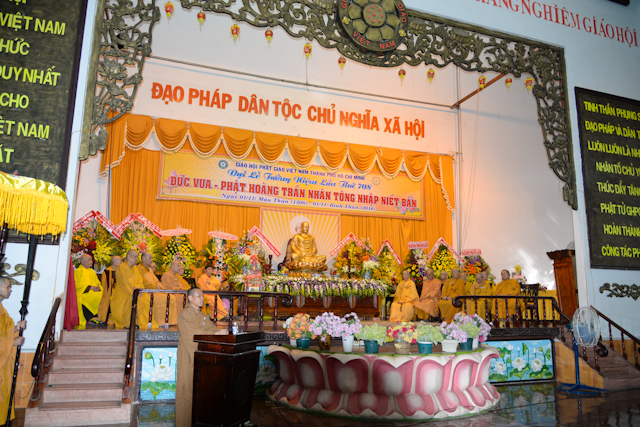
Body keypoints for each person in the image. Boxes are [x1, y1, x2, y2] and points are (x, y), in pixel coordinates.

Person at [176, 287, 227, 427]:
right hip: (188, 355)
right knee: (186, 389)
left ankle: (200, 421)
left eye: (202, 296)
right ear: (190, 298)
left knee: (202, 389)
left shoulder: (203, 316)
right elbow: (192, 333)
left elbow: (212, 330)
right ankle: (184, 423)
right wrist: (215, 334)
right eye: (198, 296)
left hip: (203, 356)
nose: (202, 299)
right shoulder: (184, 314)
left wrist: (221, 333)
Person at [0, 277, 27, 423]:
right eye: (8, 287)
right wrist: (12, 342)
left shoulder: (2, 309)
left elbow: (4, 331)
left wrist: (16, 328)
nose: (10, 290)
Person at [111, 250, 144, 329]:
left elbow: (140, 280)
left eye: (137, 257)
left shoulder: (135, 269)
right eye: (134, 256)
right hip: (123, 292)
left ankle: (138, 322)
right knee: (130, 299)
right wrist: (133, 292)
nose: (136, 259)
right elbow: (123, 283)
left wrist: (137, 288)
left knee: (145, 298)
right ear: (128, 256)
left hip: (135, 291)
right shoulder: (121, 267)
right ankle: (127, 322)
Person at [137, 251, 165, 329]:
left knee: (170, 298)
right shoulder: (139, 268)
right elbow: (143, 282)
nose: (151, 260)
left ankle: (164, 321)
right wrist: (154, 287)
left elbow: (156, 280)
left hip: (154, 290)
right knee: (164, 299)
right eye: (149, 258)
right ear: (143, 258)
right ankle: (159, 321)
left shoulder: (149, 269)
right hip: (147, 291)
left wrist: (159, 286)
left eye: (151, 258)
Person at [74, 254, 103, 327]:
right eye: (89, 260)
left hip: (94, 292)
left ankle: (99, 317)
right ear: (82, 261)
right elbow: (75, 284)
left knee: (104, 297)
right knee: (90, 297)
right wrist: (89, 288)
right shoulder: (78, 271)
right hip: (83, 292)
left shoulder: (92, 271)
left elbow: (98, 283)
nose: (91, 262)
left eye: (91, 260)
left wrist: (98, 288)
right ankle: (89, 318)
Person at [161, 261, 190, 325]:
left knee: (187, 297)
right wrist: (177, 287)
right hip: (170, 294)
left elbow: (181, 285)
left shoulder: (176, 275)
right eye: (178, 266)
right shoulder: (167, 275)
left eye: (179, 266)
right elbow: (168, 286)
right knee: (179, 298)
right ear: (172, 266)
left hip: (178, 292)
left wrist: (178, 286)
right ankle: (177, 319)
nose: (179, 268)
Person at [98, 255, 121, 325]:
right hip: (110, 293)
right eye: (120, 261)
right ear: (115, 262)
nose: (122, 263)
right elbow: (105, 286)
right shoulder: (107, 271)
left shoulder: (120, 271)